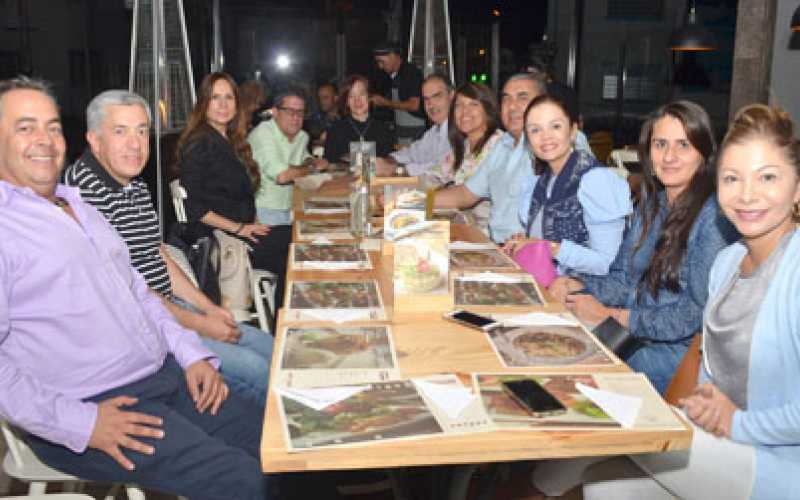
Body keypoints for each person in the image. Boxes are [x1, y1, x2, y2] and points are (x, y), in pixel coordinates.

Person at [0, 76, 274, 500]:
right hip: (97, 405)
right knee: (244, 479)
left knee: (278, 443)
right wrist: (82, 423)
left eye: (52, 126)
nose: (45, 139)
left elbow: (138, 292)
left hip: (162, 372)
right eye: (25, 127)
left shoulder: (76, 204)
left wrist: (192, 353)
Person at [553, 104, 800, 500]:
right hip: (717, 435)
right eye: (733, 178)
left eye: (768, 177)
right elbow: (707, 360)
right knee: (604, 483)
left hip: (776, 460)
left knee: (592, 414)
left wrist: (735, 424)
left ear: (798, 187)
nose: (748, 194)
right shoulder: (728, 262)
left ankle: (527, 485)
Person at [64, 89, 273, 407]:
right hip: (141, 331)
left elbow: (157, 253)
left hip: (172, 308)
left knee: (271, 346)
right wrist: (202, 324)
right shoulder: (84, 197)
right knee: (258, 370)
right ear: (94, 140)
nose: (135, 144)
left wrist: (208, 307)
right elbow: (129, 296)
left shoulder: (133, 184)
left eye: (142, 131)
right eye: (120, 132)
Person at [548, 100, 738, 394]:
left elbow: (695, 314)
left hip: (679, 357)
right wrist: (577, 285)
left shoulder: (714, 219)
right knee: (551, 340)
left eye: (683, 145)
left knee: (568, 373)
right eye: (660, 144)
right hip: (632, 335)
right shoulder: (653, 203)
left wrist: (614, 317)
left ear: (704, 153)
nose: (670, 156)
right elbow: (623, 279)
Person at [175, 72, 291, 315]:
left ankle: (284, 319)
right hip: (221, 240)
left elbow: (235, 195)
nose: (223, 104)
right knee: (294, 245)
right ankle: (284, 322)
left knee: (294, 242)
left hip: (240, 231)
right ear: (203, 103)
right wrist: (240, 228)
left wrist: (252, 222)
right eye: (215, 97)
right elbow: (194, 209)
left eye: (229, 97)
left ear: (237, 103)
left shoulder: (228, 139)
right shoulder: (199, 143)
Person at [505, 93, 631, 276]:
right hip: (548, 285)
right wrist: (524, 243)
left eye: (555, 126)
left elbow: (609, 263)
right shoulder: (539, 182)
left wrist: (550, 248)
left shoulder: (596, 182)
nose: (545, 137)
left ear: (573, 130)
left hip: (588, 295)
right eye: (535, 130)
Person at [432, 72, 545, 244]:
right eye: (506, 99)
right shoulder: (503, 145)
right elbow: (464, 194)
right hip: (495, 246)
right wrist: (412, 202)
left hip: (529, 254)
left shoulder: (552, 144)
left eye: (522, 97)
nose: (512, 106)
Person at [424, 82, 503, 234]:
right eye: (459, 105)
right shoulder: (465, 145)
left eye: (473, 104)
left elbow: (463, 196)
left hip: (487, 237)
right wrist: (398, 192)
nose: (464, 112)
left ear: (488, 109)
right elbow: (433, 176)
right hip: (462, 229)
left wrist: (410, 201)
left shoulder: (498, 146)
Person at [248, 87, 329, 227]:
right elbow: (282, 176)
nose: (296, 118)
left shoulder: (302, 136)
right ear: (275, 112)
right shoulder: (263, 134)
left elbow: (307, 159)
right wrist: (311, 167)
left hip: (291, 209)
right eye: (290, 111)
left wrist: (309, 162)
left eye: (300, 112)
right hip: (261, 215)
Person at [375, 73, 454, 177]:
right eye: (426, 99)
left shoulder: (460, 130)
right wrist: (388, 161)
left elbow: (441, 167)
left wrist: (396, 170)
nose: (431, 104)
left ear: (452, 96)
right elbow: (413, 153)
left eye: (437, 96)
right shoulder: (434, 131)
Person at [323, 74, 395, 164]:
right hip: (345, 177)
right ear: (347, 102)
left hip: (376, 178)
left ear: (369, 97)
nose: (357, 100)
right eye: (351, 96)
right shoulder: (335, 130)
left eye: (362, 94)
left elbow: (390, 163)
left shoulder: (383, 130)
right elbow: (328, 165)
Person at [371, 41, 426, 142]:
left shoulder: (411, 73)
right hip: (401, 129)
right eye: (378, 62)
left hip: (414, 131)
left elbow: (414, 105)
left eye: (382, 61)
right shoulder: (393, 75)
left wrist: (385, 102)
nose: (380, 66)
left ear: (393, 56)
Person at [305, 82, 339, 146]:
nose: (321, 101)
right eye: (319, 98)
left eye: (325, 97)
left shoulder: (346, 118)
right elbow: (314, 142)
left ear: (336, 98)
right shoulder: (315, 119)